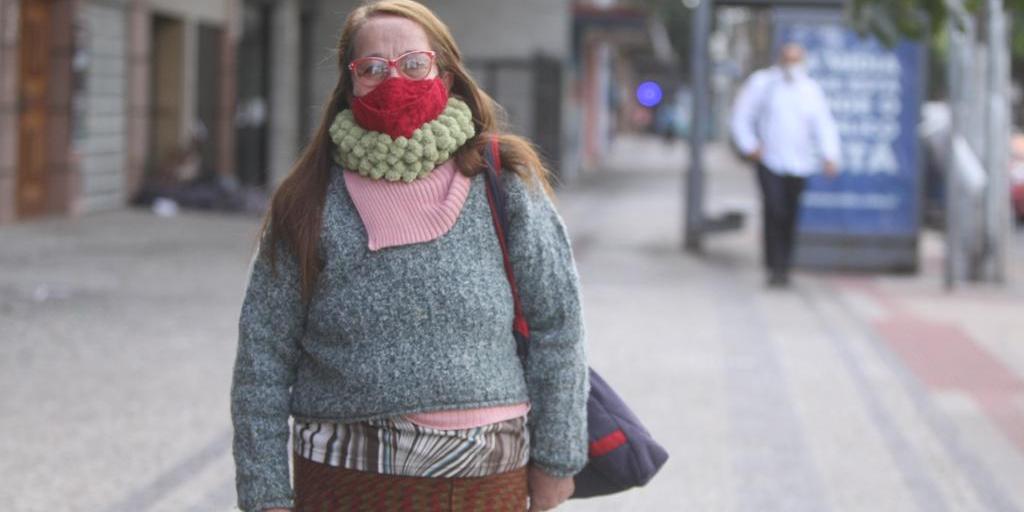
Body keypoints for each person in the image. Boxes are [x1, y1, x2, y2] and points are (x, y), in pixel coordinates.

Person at [229, 1, 589, 511]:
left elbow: (559, 322)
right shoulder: (307, 199)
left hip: (485, 480)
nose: (394, 81)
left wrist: (557, 459)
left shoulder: (503, 184)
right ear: (348, 84)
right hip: (343, 481)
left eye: (414, 64)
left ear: (445, 71)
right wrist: (264, 492)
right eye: (372, 68)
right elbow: (262, 356)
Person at [730, 43, 841, 287]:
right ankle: (773, 266)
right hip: (770, 161)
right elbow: (741, 116)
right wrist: (750, 146)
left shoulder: (810, 89)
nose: (792, 65)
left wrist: (830, 155)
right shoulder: (763, 83)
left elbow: (824, 124)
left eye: (796, 60)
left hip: (800, 163)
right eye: (788, 59)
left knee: (790, 215)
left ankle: (785, 266)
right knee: (774, 211)